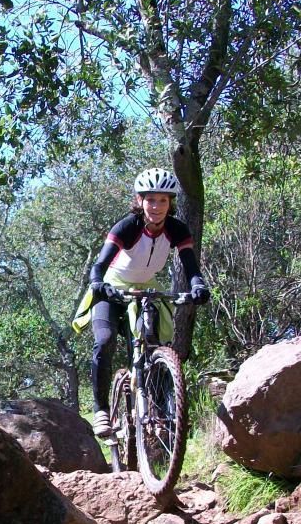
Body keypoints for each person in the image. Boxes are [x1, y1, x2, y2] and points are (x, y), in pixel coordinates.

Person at [73, 168, 210, 438]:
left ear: (171, 203)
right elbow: (99, 265)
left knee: (155, 343)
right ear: (139, 200)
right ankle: (100, 410)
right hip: (112, 286)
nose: (157, 207)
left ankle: (158, 407)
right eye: (151, 200)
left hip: (146, 286)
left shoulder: (177, 229)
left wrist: (198, 285)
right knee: (105, 339)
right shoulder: (127, 227)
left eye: (163, 200)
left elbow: (191, 266)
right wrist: (98, 284)